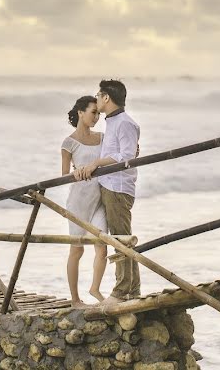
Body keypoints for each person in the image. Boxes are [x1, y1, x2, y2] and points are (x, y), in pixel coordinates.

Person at [75, 79, 141, 305]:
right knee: (120, 237)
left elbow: (127, 156)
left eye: (98, 94)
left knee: (121, 239)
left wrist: (96, 163)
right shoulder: (113, 122)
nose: (96, 98)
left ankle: (122, 291)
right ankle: (131, 289)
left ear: (106, 98)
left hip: (118, 187)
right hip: (109, 185)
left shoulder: (124, 123)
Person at [61, 95, 108, 308]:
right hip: (78, 201)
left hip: (98, 199)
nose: (97, 117)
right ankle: (75, 299)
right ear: (80, 112)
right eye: (93, 112)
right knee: (77, 250)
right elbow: (63, 176)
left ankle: (95, 288)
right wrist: (75, 173)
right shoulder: (69, 143)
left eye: (98, 113)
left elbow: (113, 156)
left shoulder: (102, 138)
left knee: (102, 245)